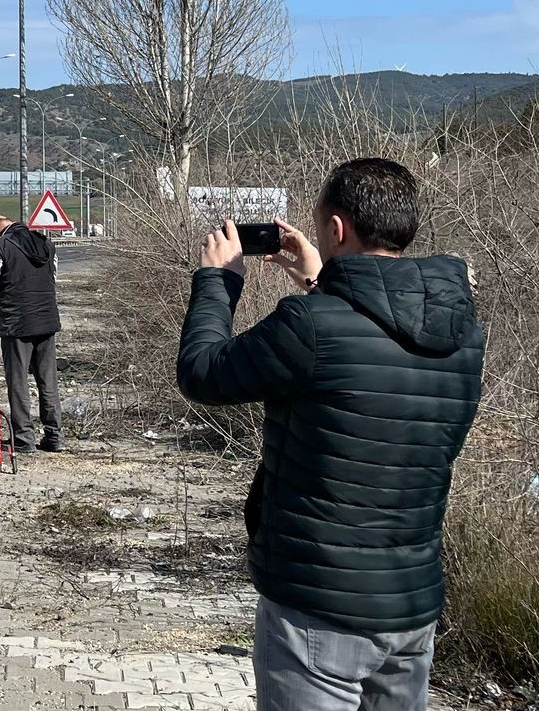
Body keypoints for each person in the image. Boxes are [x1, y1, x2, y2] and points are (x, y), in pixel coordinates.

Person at [178, 158, 484, 710]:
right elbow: (377, 342)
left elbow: (203, 372)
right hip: (411, 606)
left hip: (319, 606)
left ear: (336, 228)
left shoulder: (309, 325)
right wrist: (322, 279)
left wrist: (217, 280)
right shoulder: (462, 331)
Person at [0, 213, 62, 453]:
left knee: (18, 382)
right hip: (46, 320)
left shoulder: (0, 245)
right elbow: (53, 277)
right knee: (48, 381)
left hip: (16, 323)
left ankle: (24, 439)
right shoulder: (46, 243)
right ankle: (54, 437)